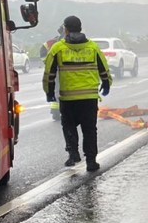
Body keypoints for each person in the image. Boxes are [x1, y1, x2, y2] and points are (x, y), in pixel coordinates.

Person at [43, 15, 111, 170]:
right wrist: (106, 84)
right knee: (89, 129)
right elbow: (104, 69)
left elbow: (49, 73)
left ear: (65, 29)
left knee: (69, 126)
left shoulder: (58, 48)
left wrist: (49, 92)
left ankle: (73, 153)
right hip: (89, 97)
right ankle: (91, 162)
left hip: (68, 98)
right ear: (80, 28)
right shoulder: (93, 47)